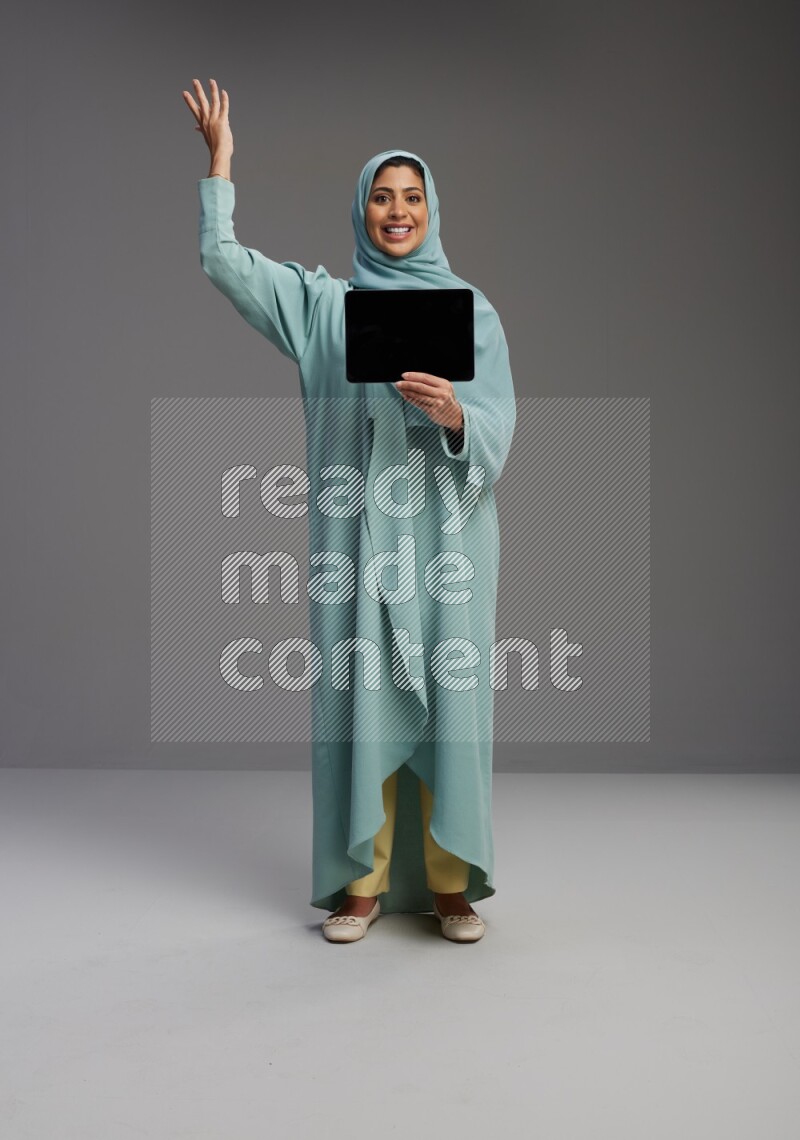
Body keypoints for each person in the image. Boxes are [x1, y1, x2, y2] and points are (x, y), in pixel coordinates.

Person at [182, 78, 516, 943]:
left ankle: (451, 881)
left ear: (432, 210)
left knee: (448, 701)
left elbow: (500, 430)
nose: (396, 211)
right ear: (361, 209)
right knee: (361, 700)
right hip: (357, 546)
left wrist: (452, 415)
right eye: (381, 196)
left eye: (411, 197)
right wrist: (220, 169)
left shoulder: (470, 313)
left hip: (448, 543)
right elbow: (226, 263)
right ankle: (359, 881)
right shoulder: (326, 307)